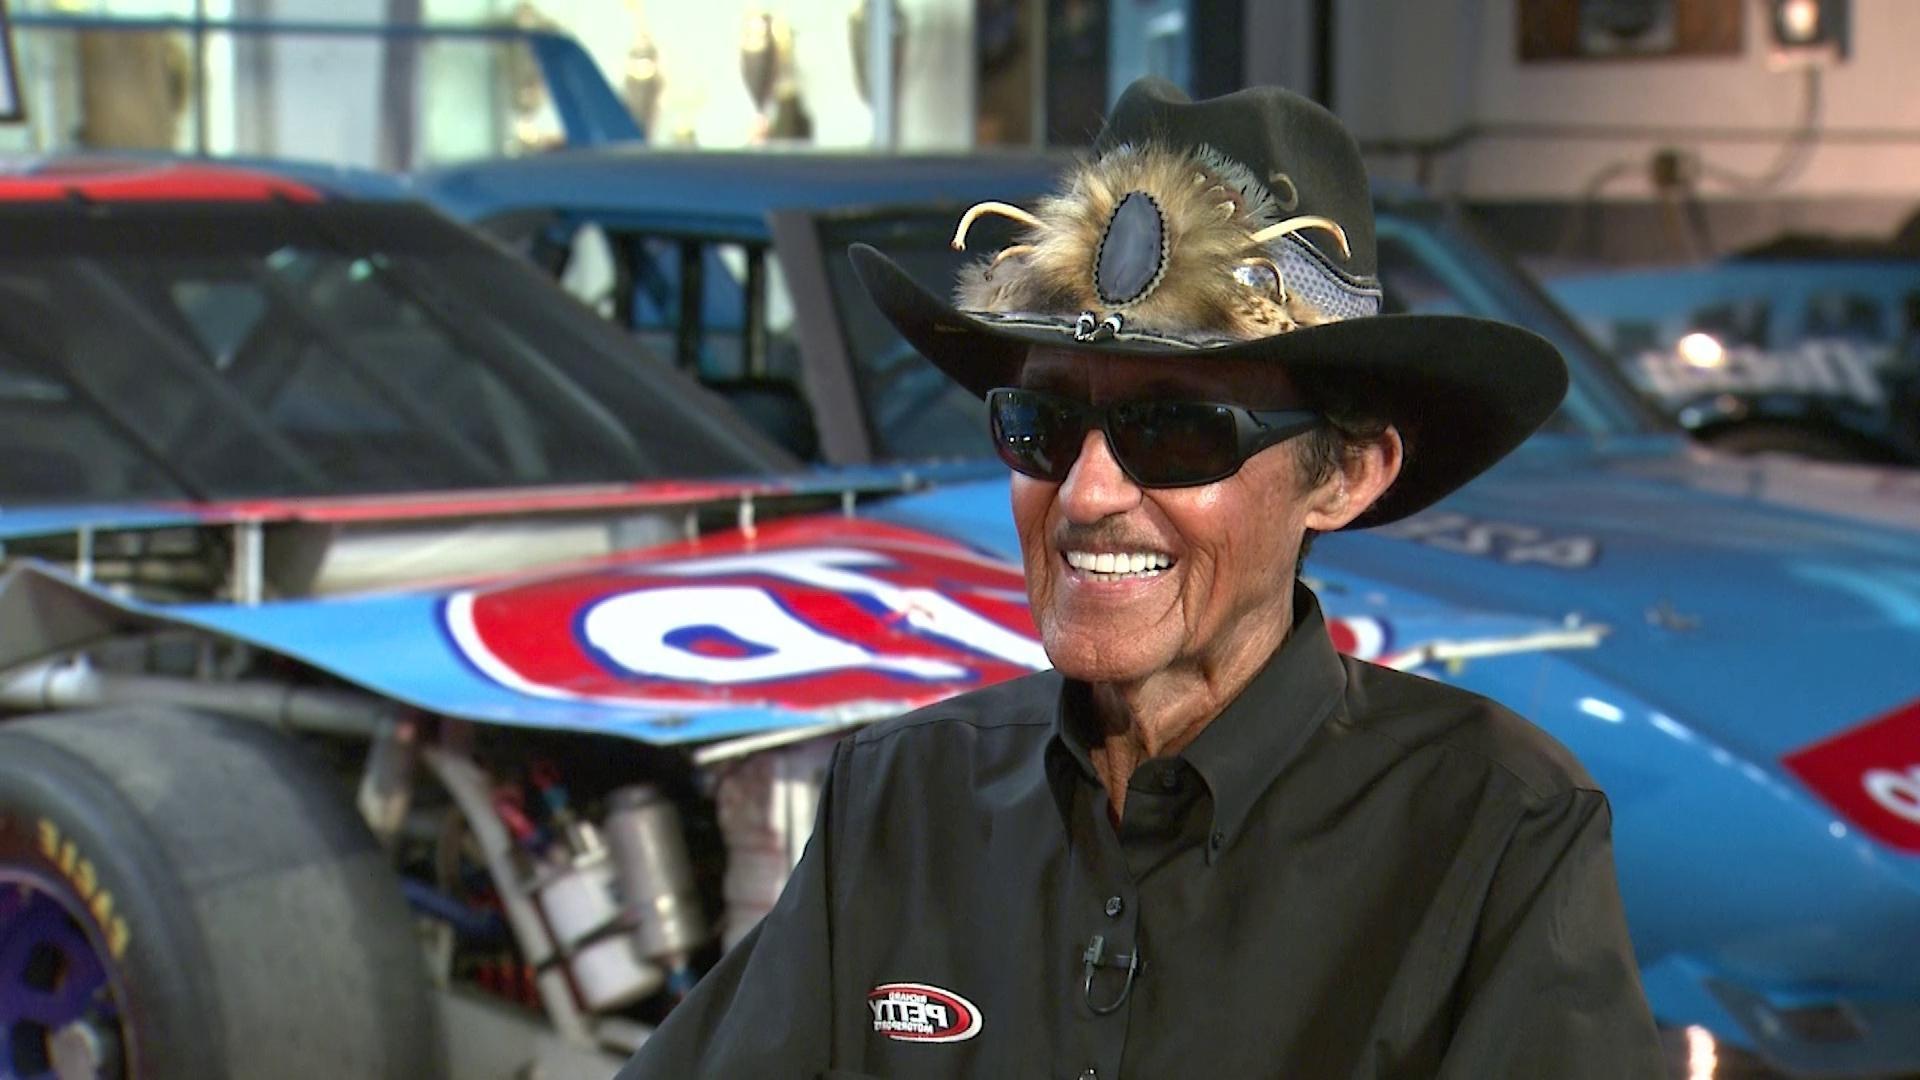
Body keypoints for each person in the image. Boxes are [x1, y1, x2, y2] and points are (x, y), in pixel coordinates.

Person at [619, 77, 1664, 1079]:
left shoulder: (1494, 830)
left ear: (1345, 474)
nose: (1086, 493)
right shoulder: (900, 803)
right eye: (1044, 423)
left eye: (1174, 428)